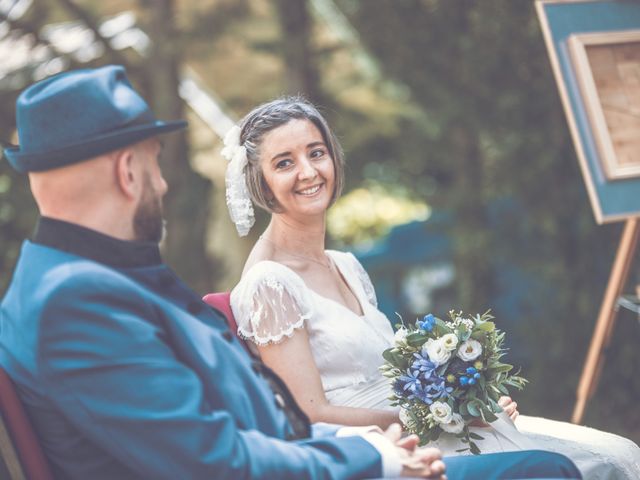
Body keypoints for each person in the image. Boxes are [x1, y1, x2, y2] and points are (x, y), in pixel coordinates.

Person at [0, 65, 581, 480]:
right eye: (156, 168)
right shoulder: (76, 304)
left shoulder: (63, 283)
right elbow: (215, 460)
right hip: (317, 465)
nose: (164, 183)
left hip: (310, 453)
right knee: (546, 470)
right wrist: (377, 460)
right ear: (129, 172)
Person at [227, 96, 640, 479]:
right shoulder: (269, 281)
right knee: (559, 468)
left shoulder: (348, 265)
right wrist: (435, 416)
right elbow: (308, 412)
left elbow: (389, 372)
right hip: (383, 443)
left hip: (426, 419)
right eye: (284, 163)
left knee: (618, 455)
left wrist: (469, 397)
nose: (308, 171)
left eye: (316, 153)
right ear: (259, 183)